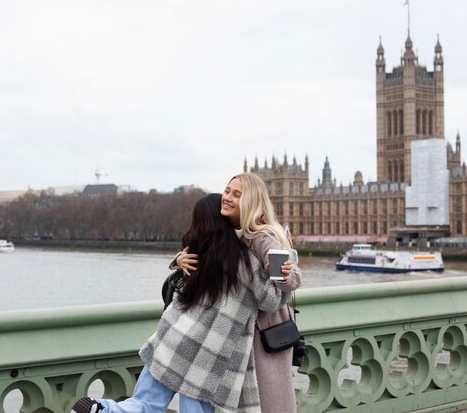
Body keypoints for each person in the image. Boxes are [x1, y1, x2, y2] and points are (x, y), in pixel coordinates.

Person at [70, 193, 290, 413]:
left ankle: (102, 409)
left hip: (171, 338)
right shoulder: (244, 261)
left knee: (145, 404)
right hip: (208, 353)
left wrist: (176, 260)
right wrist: (283, 265)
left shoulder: (194, 254)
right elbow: (270, 301)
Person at [176, 173, 302, 413]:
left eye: (237, 194)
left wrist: (285, 273)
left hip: (264, 328)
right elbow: (201, 253)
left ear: (252, 201)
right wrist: (179, 259)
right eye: (227, 191)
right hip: (236, 329)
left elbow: (292, 277)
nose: (227, 198)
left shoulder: (260, 235)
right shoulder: (226, 230)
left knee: (269, 401)